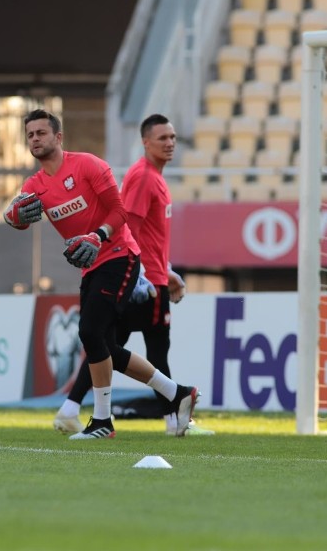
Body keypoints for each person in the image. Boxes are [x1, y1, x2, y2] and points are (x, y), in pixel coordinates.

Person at [4, 109, 199, 439]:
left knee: (92, 332)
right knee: (104, 344)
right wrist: (12, 216)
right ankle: (177, 393)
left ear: (58, 137)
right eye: (30, 135)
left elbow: (121, 210)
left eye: (41, 133)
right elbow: (19, 218)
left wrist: (98, 236)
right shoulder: (34, 185)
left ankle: (103, 421)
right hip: (90, 266)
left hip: (119, 255)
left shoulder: (88, 165)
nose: (35, 139)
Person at [52, 114, 214, 436]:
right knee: (125, 343)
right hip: (145, 279)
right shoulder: (143, 177)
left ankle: (71, 409)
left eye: (172, 137)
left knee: (103, 342)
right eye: (162, 138)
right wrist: (143, 274)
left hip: (150, 274)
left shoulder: (153, 176)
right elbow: (131, 227)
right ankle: (176, 415)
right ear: (145, 141)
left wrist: (168, 271)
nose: (169, 143)